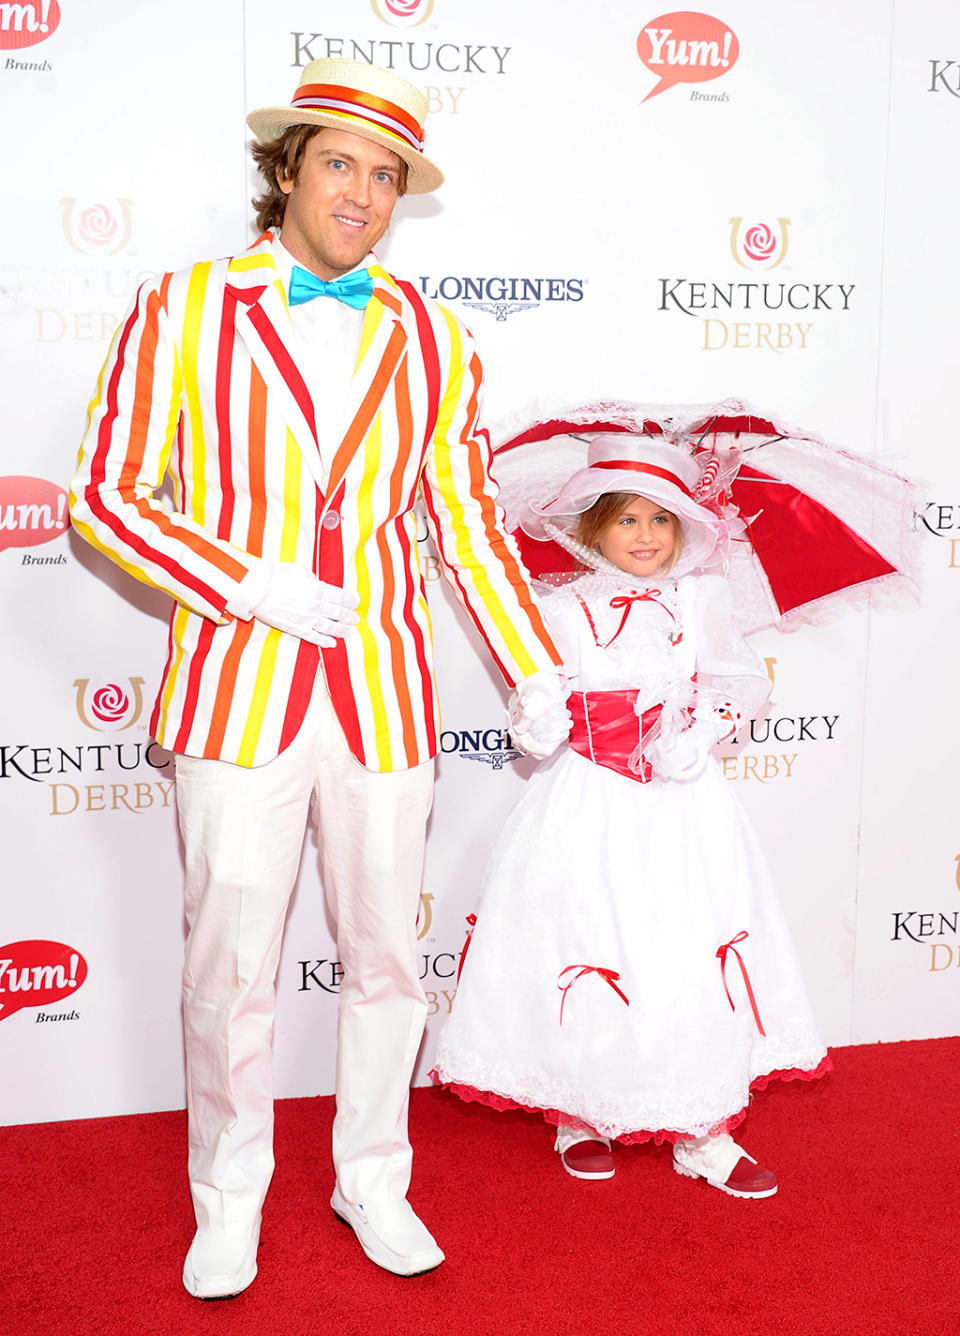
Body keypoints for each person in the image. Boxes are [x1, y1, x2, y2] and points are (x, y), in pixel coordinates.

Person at [69, 58, 569, 1298]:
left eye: (384, 175)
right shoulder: (180, 306)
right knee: (228, 963)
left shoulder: (432, 333)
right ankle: (227, 1195)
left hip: (386, 697)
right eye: (337, 163)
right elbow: (102, 498)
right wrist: (246, 582)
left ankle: (373, 1179)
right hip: (237, 690)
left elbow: (469, 520)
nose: (360, 192)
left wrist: (533, 667)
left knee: (390, 960)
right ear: (285, 170)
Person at [432, 431, 831, 1192]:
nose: (645, 536)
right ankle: (581, 1110)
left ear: (684, 529)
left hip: (684, 810)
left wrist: (704, 729)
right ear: (590, 528)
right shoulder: (559, 609)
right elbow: (538, 693)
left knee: (690, 948)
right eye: (626, 519)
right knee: (587, 944)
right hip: (590, 805)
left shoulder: (700, 598)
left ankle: (703, 1126)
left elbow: (736, 680)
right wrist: (542, 718)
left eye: (661, 520)